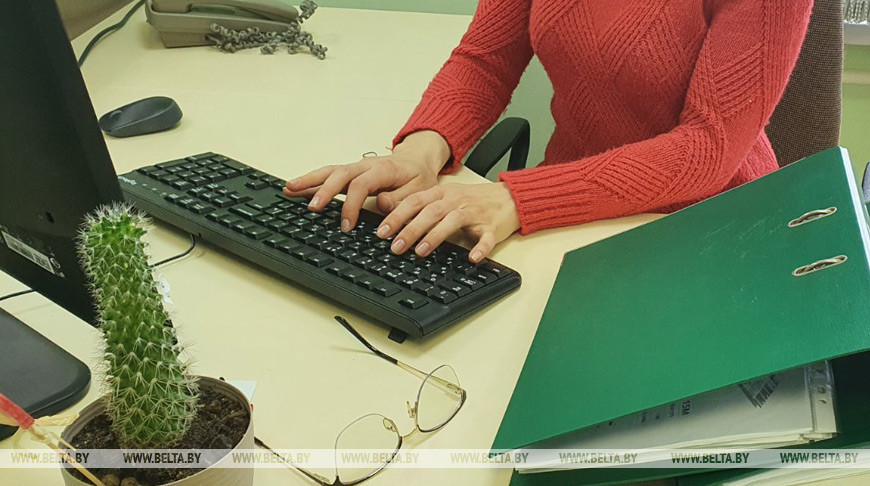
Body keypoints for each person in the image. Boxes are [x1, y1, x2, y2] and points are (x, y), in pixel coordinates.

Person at [285, 0, 813, 263]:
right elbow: (485, 61)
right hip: (570, 216)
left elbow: (708, 147)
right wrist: (420, 153)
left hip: (709, 228)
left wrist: (518, 199)